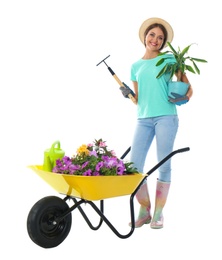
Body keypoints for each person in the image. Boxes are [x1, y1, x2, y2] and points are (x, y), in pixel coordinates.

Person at [120, 17, 193, 229]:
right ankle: (144, 210)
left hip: (166, 118)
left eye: (160, 38)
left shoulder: (169, 60)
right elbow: (139, 99)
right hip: (143, 119)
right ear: (145, 36)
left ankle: (159, 213)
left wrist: (183, 98)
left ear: (163, 42)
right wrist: (128, 95)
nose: (155, 40)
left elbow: (189, 88)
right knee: (134, 166)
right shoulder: (135, 66)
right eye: (152, 35)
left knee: (164, 162)